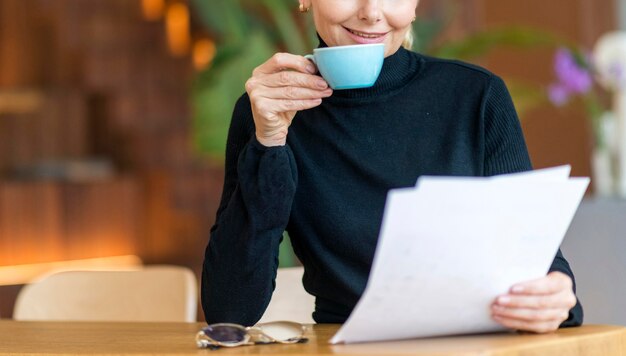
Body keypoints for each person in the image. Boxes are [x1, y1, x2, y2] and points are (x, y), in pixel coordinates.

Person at [202, 0, 583, 334]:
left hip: (476, 342)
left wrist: (554, 295)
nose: (371, 12)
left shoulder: (476, 96)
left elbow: (540, 260)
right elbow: (230, 311)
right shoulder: (269, 111)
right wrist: (270, 140)